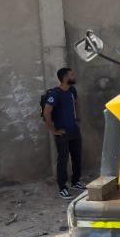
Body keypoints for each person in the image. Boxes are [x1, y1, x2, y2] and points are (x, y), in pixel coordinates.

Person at [42, 67, 83, 198]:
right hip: (63, 133)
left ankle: (75, 182)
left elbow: (76, 103)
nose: (74, 76)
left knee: (77, 157)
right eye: (72, 74)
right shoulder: (55, 94)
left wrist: (77, 119)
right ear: (65, 78)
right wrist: (53, 130)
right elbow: (47, 112)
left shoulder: (72, 90)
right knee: (63, 160)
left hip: (74, 131)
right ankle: (62, 188)